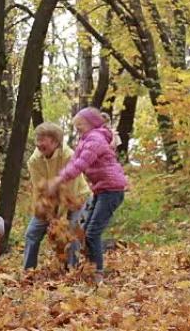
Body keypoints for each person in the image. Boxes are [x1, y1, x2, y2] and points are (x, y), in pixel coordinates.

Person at [47, 107, 127, 283]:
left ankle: (97, 273)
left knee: (92, 233)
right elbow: (74, 161)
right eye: (75, 127)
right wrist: (59, 179)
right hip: (101, 189)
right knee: (84, 232)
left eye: (80, 125)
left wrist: (59, 180)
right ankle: (92, 268)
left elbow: (81, 164)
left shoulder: (96, 139)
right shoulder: (85, 140)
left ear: (91, 124)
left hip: (112, 190)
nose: (77, 129)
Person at [23, 122, 92, 270]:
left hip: (77, 198)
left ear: (55, 141)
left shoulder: (69, 156)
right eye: (38, 139)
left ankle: (72, 270)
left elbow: (70, 192)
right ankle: (28, 271)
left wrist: (60, 219)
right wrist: (47, 215)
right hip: (50, 201)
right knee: (31, 233)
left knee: (72, 231)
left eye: (43, 140)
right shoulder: (34, 161)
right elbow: (38, 190)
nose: (39, 144)